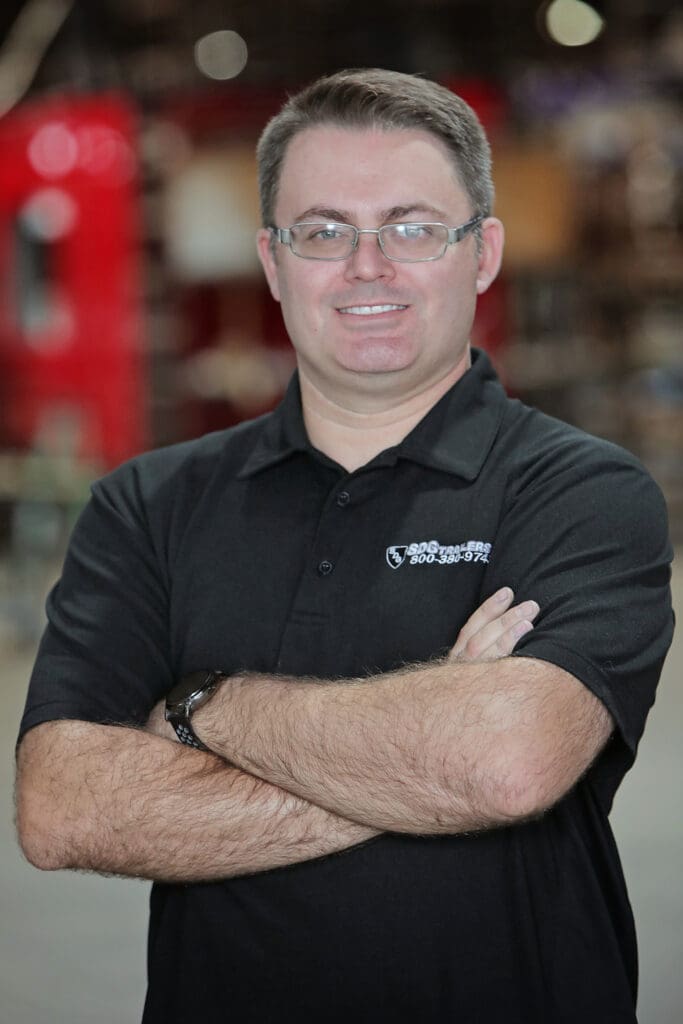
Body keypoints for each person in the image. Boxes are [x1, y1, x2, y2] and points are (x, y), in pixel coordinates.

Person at [16, 68, 673, 1023]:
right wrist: (425, 752)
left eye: (411, 227)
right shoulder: (146, 506)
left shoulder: (582, 492)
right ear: (274, 262)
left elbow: (505, 763)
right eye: (323, 232)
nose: (368, 265)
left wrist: (209, 707)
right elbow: (64, 808)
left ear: (481, 253)